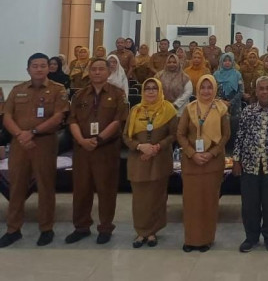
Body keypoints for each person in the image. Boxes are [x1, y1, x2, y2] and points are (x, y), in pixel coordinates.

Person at [0, 53, 70, 248]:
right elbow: (6, 116)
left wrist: (32, 132)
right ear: (28, 69)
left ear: (49, 68)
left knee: (46, 187)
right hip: (19, 145)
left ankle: (46, 229)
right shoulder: (17, 90)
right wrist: (21, 135)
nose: (39, 69)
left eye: (42, 65)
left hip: (45, 143)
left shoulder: (58, 90)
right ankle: (13, 229)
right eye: (34, 66)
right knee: (17, 188)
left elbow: (58, 117)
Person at [64, 58, 128, 245]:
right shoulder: (80, 95)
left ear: (108, 72)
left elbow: (118, 121)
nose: (97, 72)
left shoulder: (118, 94)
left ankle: (105, 227)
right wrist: (82, 141)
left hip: (106, 150)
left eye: (101, 69)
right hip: (82, 149)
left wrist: (99, 139)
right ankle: (81, 227)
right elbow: (72, 120)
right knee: (81, 189)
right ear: (89, 72)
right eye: (94, 69)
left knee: (106, 190)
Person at [233, 76, 268, 253]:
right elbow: (240, 137)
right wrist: (236, 160)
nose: (265, 92)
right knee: (250, 205)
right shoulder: (248, 112)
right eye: (262, 89)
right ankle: (251, 237)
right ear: (256, 91)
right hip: (250, 165)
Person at [177, 75, 231, 252]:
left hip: (212, 163)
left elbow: (225, 136)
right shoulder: (189, 109)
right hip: (191, 163)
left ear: (214, 89)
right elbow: (181, 135)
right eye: (203, 87)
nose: (206, 91)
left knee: (209, 202)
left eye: (209, 87)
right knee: (191, 202)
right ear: (198, 89)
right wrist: (192, 154)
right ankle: (190, 239)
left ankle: (206, 239)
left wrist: (211, 153)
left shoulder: (222, 109)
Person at [122, 78, 177, 248]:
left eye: (154, 88)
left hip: (159, 159)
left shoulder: (168, 109)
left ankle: (153, 232)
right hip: (138, 160)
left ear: (160, 90)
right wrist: (140, 147)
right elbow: (125, 136)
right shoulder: (136, 110)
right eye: (147, 89)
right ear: (143, 92)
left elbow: (174, 134)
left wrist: (156, 147)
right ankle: (141, 232)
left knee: (157, 197)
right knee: (140, 198)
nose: (151, 91)